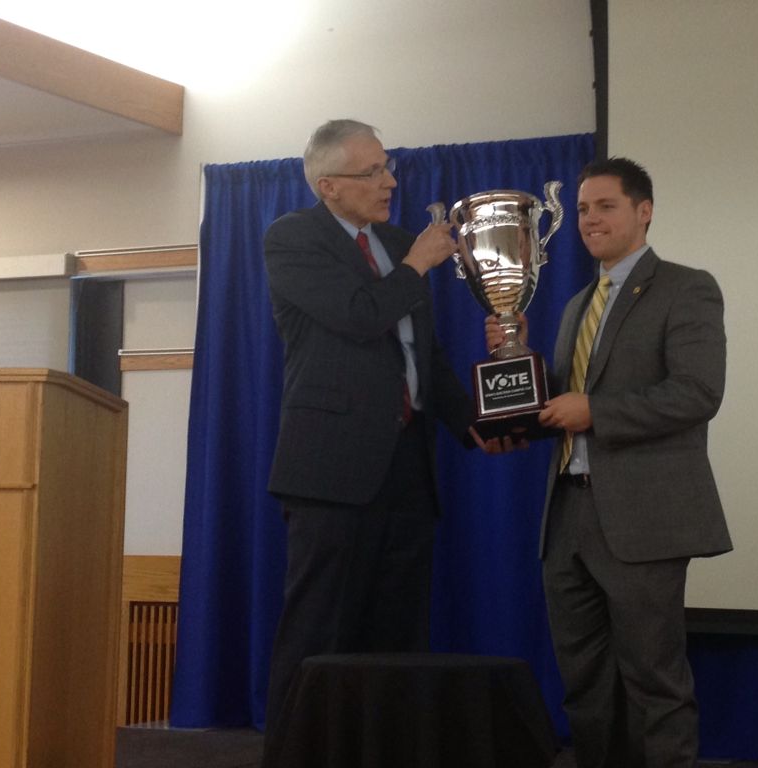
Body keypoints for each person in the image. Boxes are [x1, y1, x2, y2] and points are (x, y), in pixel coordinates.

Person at [258, 119, 501, 765]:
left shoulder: (396, 241)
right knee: (318, 632)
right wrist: (418, 264)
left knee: (397, 637)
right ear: (329, 184)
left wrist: (479, 426)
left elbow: (427, 356)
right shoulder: (292, 239)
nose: (390, 180)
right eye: (373, 171)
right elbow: (360, 317)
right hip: (330, 470)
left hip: (407, 466)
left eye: (388, 167)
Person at [487, 157, 732, 768]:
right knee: (585, 686)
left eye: (606, 206)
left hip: (642, 522)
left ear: (644, 211)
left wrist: (594, 410)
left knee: (655, 682)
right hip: (567, 514)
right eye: (583, 209)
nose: (590, 219)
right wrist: (516, 402)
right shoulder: (575, 305)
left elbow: (698, 393)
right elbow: (567, 402)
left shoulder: (686, 286)